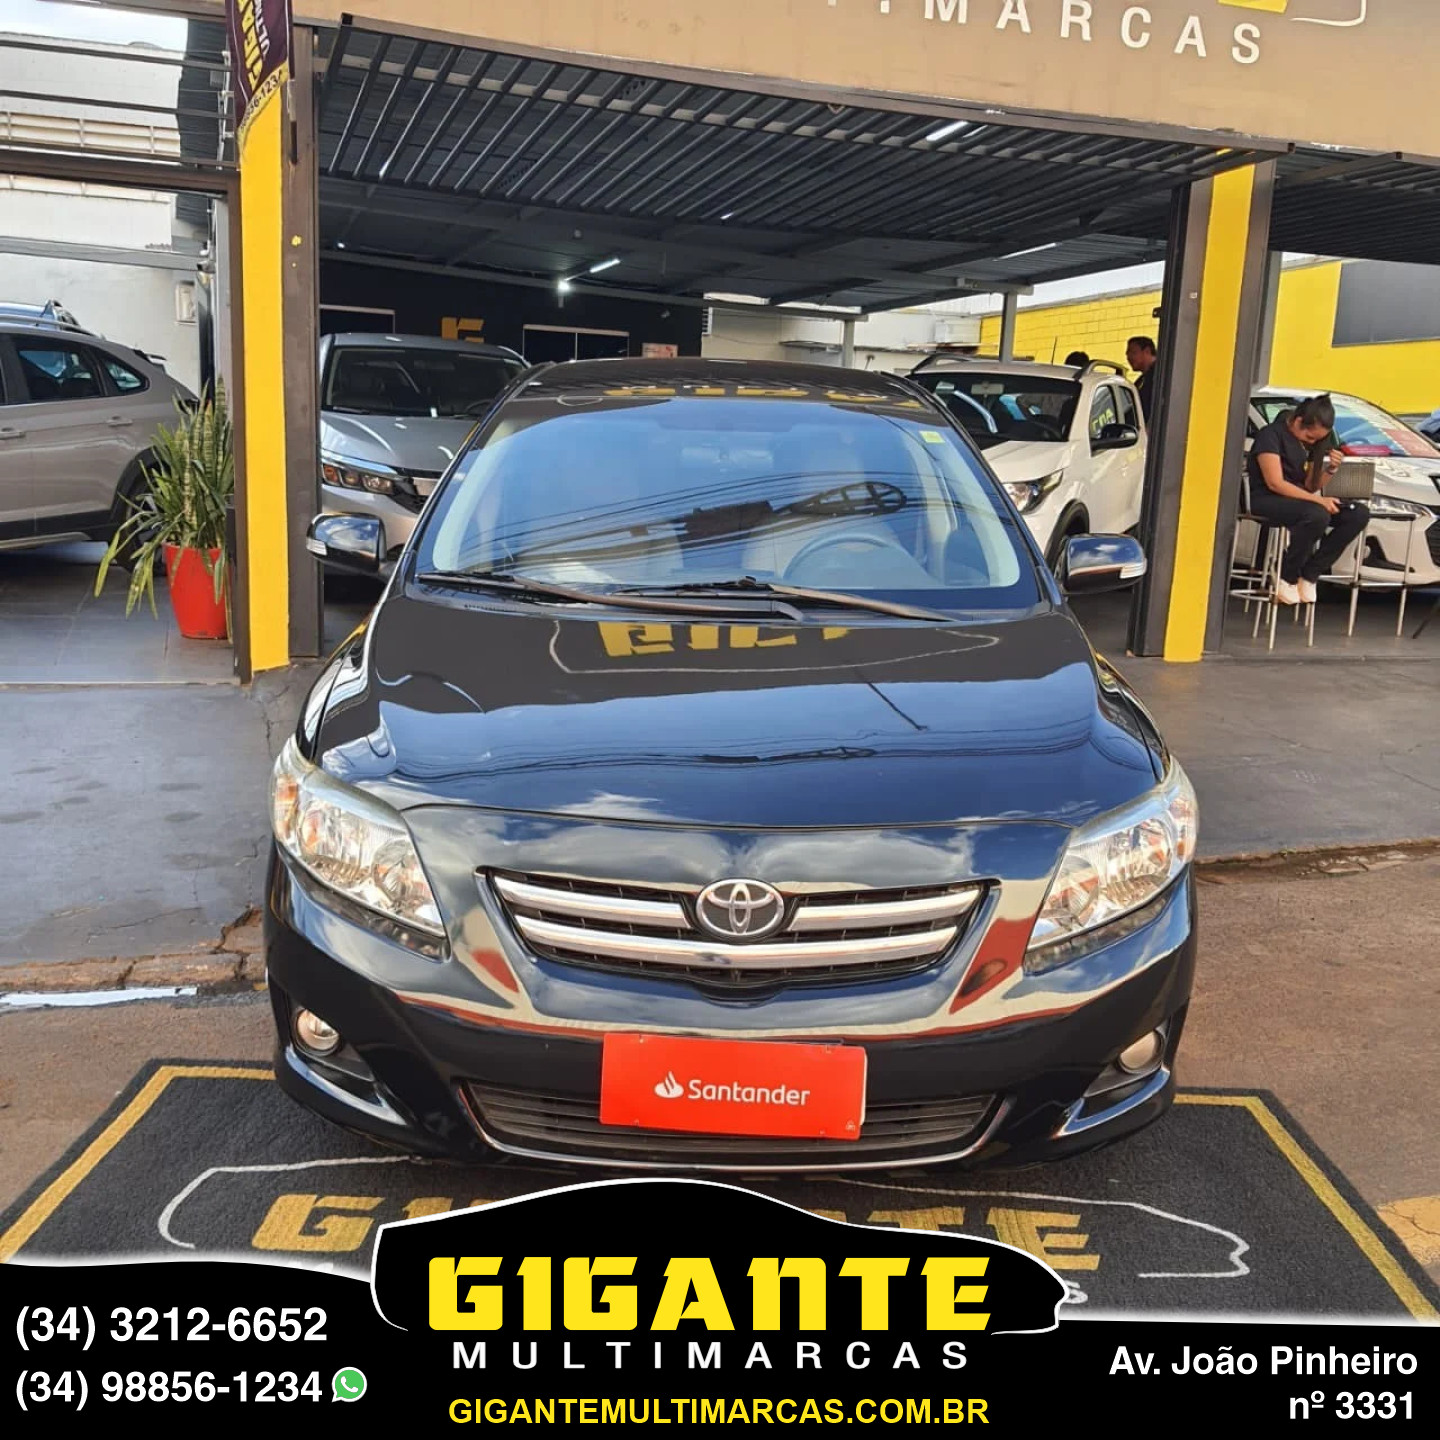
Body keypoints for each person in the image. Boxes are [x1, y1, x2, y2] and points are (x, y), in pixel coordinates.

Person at [1245, 393, 1369, 607]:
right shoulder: (1270, 436)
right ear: (1298, 421)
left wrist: (1331, 469)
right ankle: (1287, 574)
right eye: (1310, 437)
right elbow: (1275, 483)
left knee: (1357, 514)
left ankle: (1311, 573)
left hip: (1300, 501)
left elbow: (1311, 485)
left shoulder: (1314, 445)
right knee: (1316, 514)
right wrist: (1318, 501)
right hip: (1267, 499)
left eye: (1318, 439)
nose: (1312, 442)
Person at [1126, 336, 1158, 422]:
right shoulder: (1143, 379)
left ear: (1147, 351)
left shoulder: (1158, 377)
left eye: (1133, 352)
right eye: (1127, 354)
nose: (1128, 357)